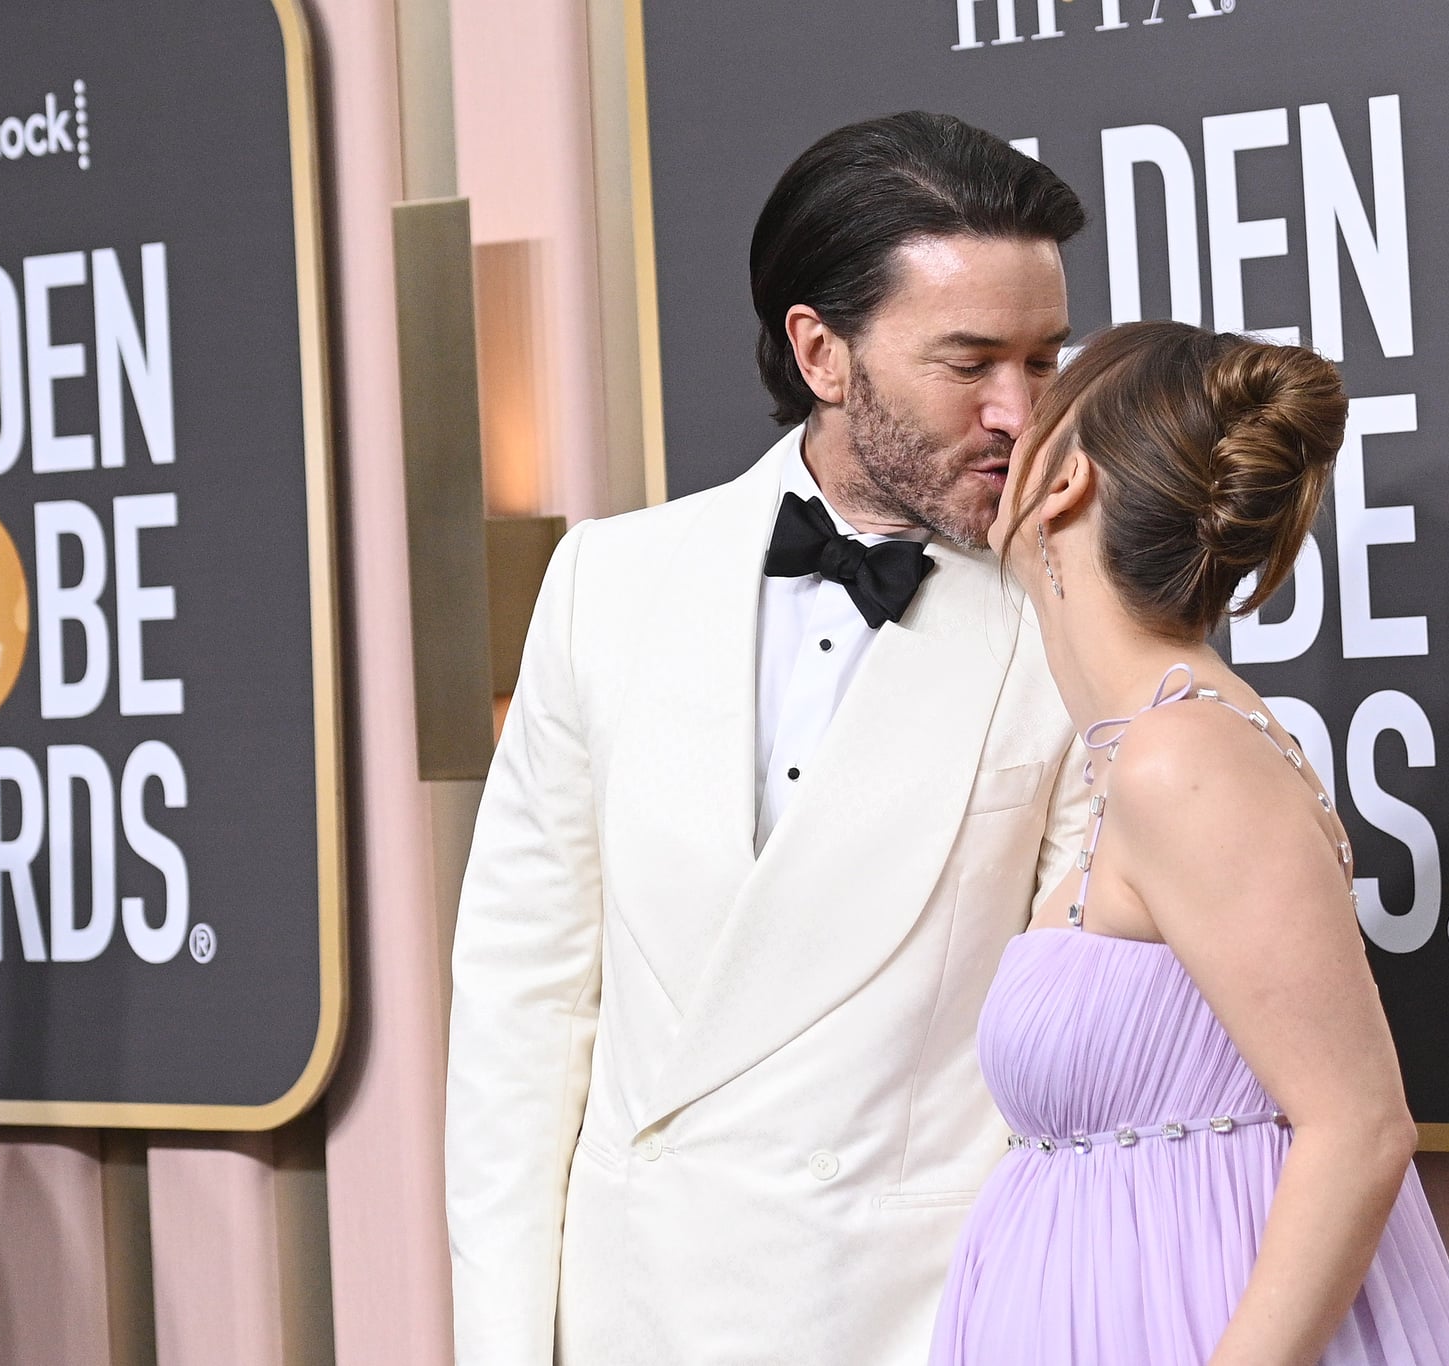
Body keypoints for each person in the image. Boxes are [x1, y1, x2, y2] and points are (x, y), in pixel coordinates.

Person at [445, 112, 1091, 1364]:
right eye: (970, 363)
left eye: (1042, 358)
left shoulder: (1074, 622)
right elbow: (521, 1017)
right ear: (822, 353)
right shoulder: (605, 583)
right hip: (636, 1320)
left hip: (915, 1322)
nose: (1020, 413)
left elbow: (1070, 1063)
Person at [931, 321, 1449, 1365]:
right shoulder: (1144, 750)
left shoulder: (1180, 758)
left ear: (1063, 488)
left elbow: (1359, 1129)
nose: (1004, 414)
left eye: (1039, 398)